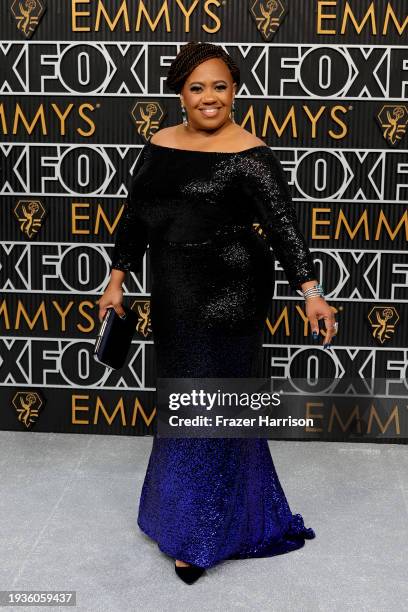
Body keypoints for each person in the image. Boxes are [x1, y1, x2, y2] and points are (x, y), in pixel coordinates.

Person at [98, 41, 337, 584]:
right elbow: (136, 218)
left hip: (233, 293)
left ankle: (195, 535)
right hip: (174, 291)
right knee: (185, 397)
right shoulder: (159, 143)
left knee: (208, 403)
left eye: (220, 86)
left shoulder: (250, 153)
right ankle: (203, 514)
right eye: (197, 87)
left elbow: (284, 230)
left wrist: (311, 291)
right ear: (180, 94)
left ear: (235, 91)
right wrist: (117, 281)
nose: (210, 98)